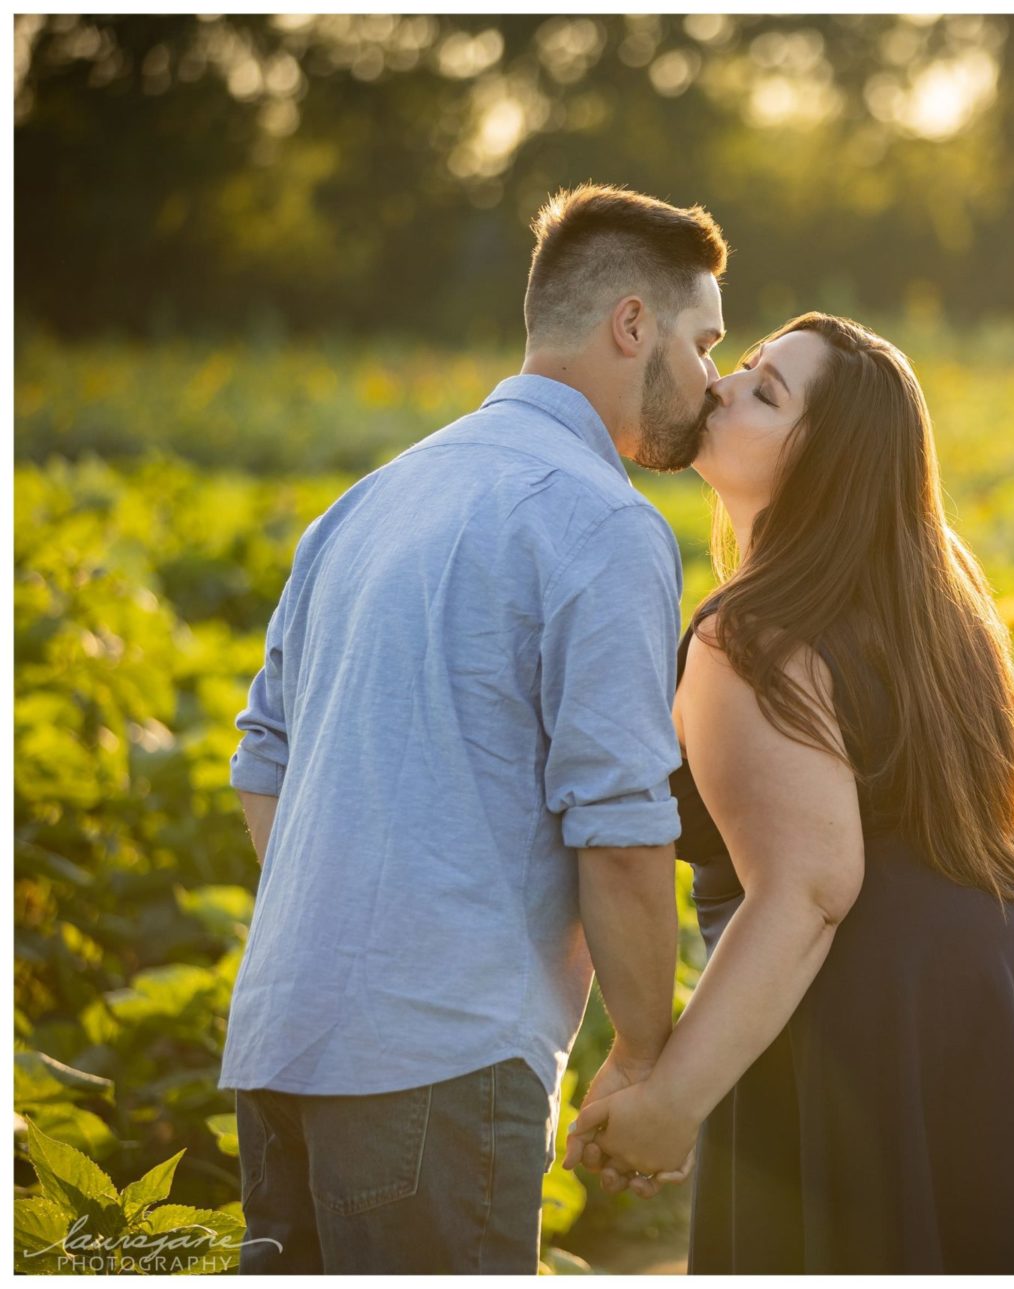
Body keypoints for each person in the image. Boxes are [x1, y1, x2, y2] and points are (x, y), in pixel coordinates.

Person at [564, 313, 1014, 1273]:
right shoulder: (927, 602)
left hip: (895, 1009)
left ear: (828, 466)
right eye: (748, 366)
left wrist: (673, 1100)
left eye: (766, 392)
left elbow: (808, 884)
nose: (722, 386)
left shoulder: (751, 636)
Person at [220, 183, 726, 1273]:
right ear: (631, 324)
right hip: (441, 1064)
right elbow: (626, 837)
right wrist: (646, 1056)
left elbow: (264, 762)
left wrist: (358, 921)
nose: (713, 380)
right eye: (704, 340)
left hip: (276, 1043)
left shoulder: (365, 500)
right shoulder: (603, 522)